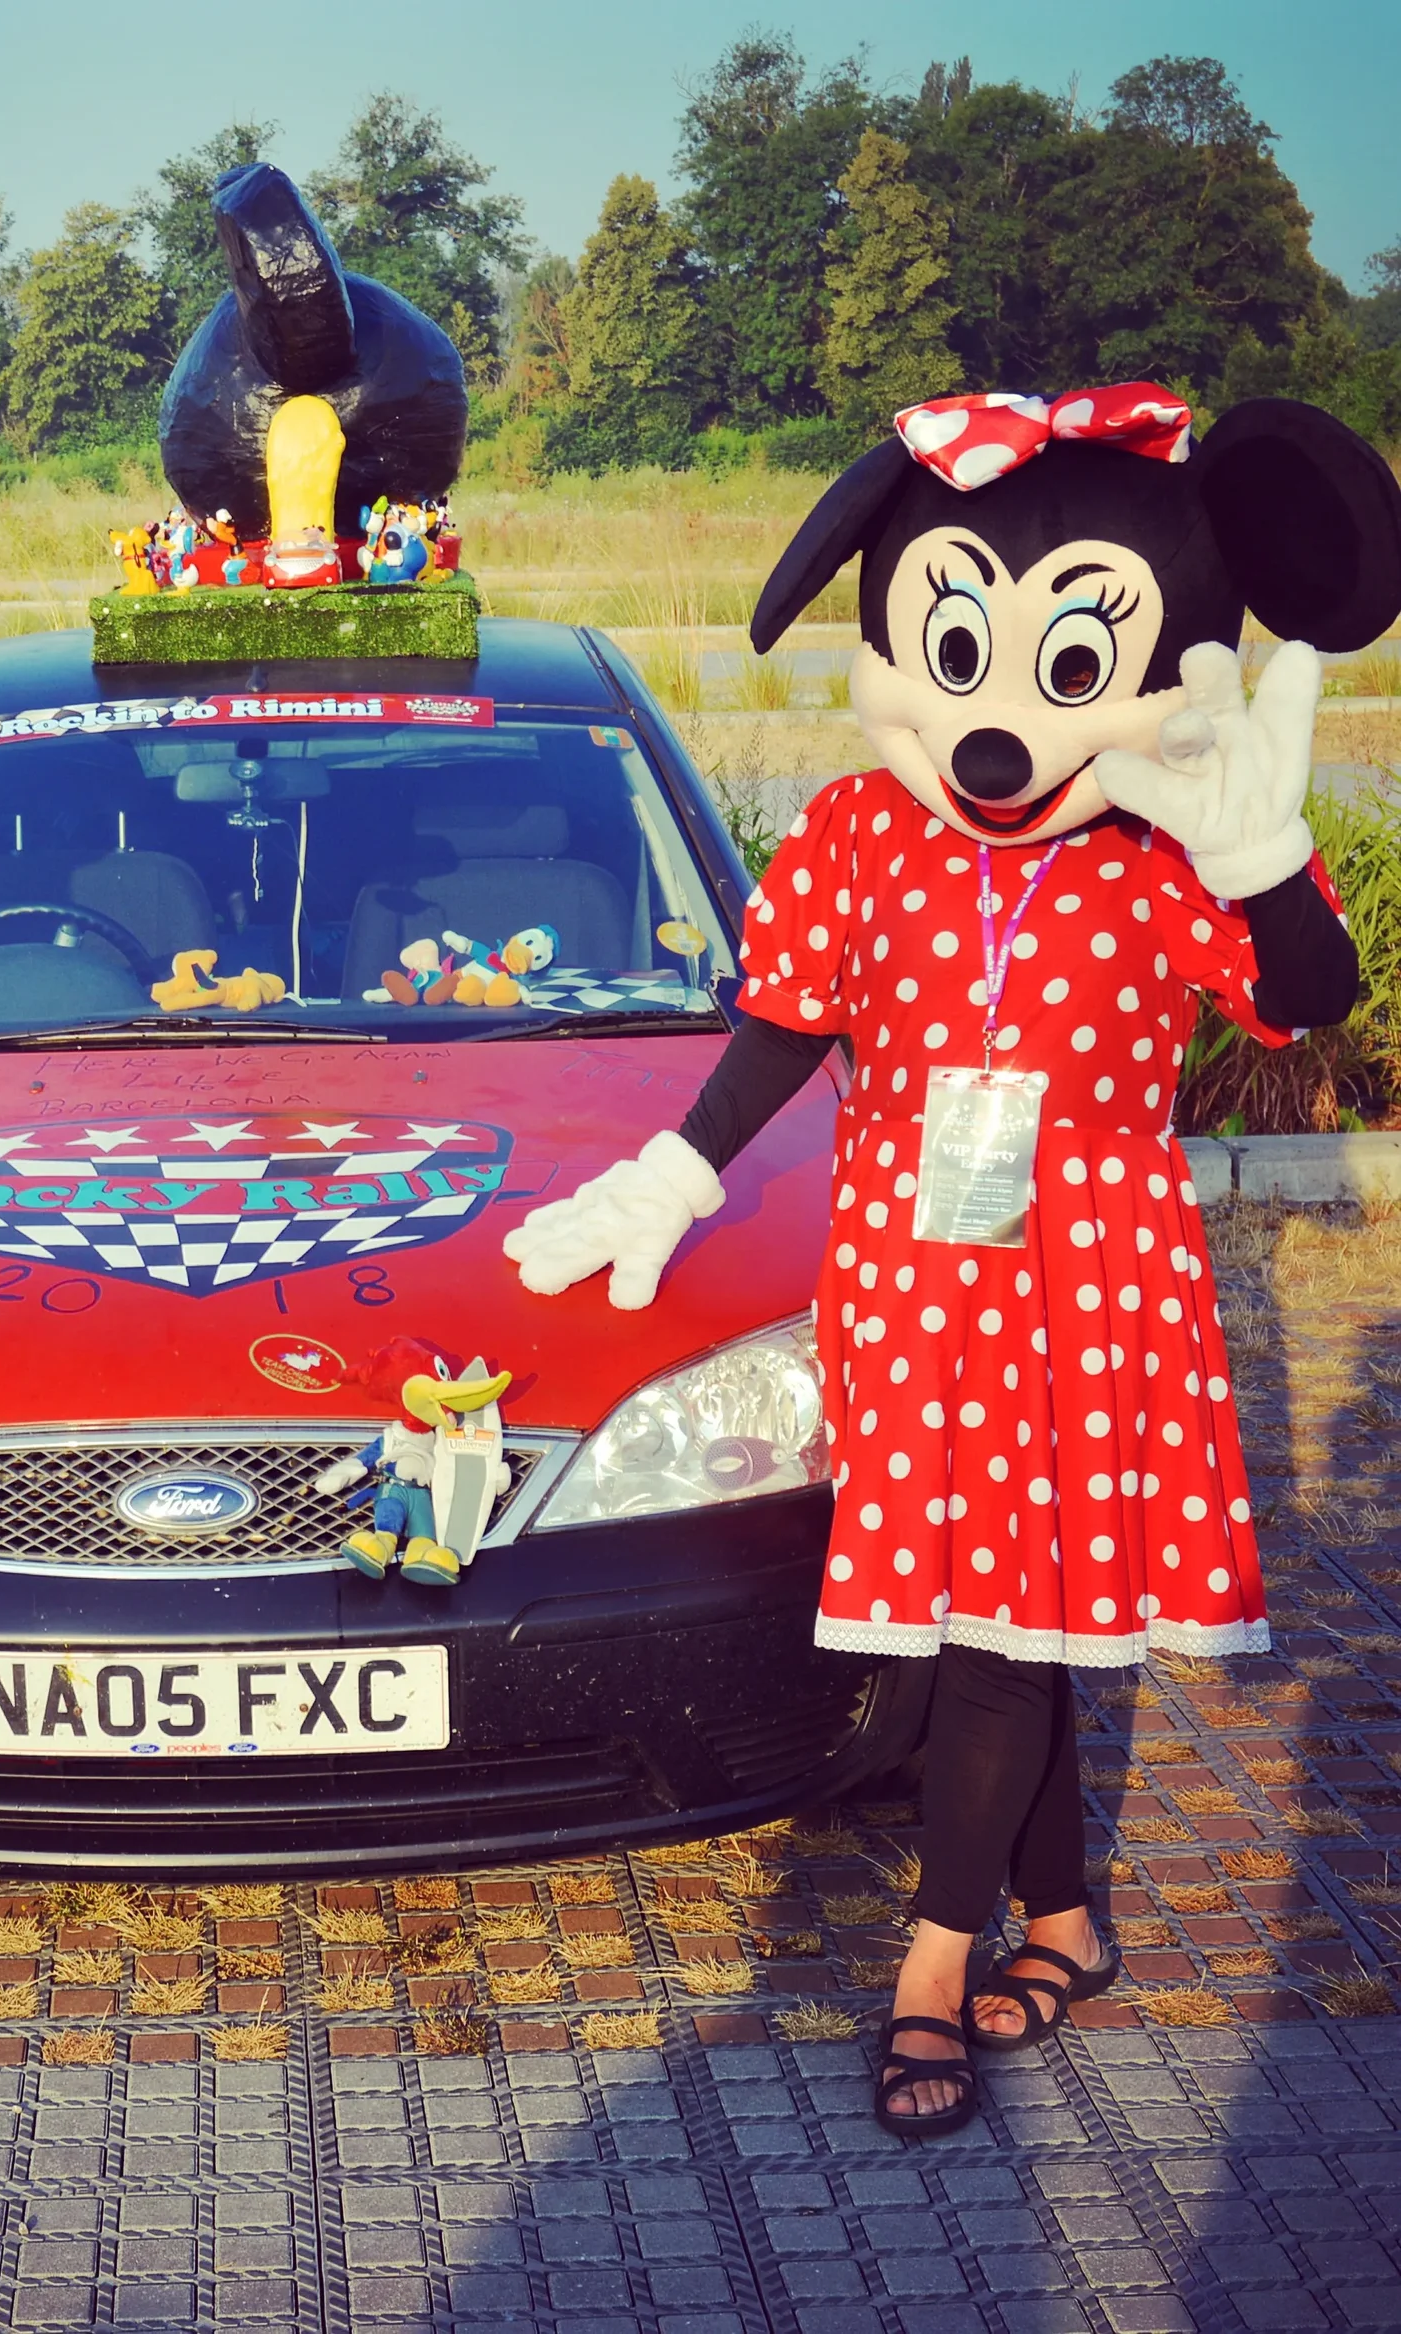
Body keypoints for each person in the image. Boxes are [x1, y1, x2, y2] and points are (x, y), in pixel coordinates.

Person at [505, 384, 1401, 2134]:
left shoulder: (1162, 848)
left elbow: (1308, 997)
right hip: (916, 1279)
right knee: (1003, 1615)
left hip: (1090, 1279)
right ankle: (1060, 1918)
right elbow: (783, 1024)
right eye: (960, 654)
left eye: (1063, 667)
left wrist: (1268, 861)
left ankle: (932, 1958)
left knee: (999, 1639)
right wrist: (675, 1174)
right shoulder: (856, 835)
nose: (998, 733)